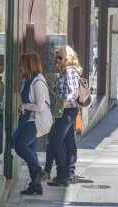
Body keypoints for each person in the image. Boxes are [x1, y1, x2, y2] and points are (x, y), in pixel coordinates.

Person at [11, 52, 52, 195]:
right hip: (28, 119)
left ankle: (40, 172)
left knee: (20, 145)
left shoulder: (38, 82)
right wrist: (24, 107)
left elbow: (40, 106)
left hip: (37, 121)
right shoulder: (26, 79)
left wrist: (25, 106)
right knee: (31, 151)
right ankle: (36, 186)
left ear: (28, 65)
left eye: (21, 64)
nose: (19, 67)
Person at [48, 46, 81, 187]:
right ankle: (68, 173)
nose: (57, 60)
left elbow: (74, 93)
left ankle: (62, 174)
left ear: (68, 58)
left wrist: (62, 101)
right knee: (68, 142)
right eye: (56, 57)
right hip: (66, 111)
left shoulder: (70, 72)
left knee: (55, 140)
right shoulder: (65, 72)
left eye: (60, 57)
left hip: (67, 110)